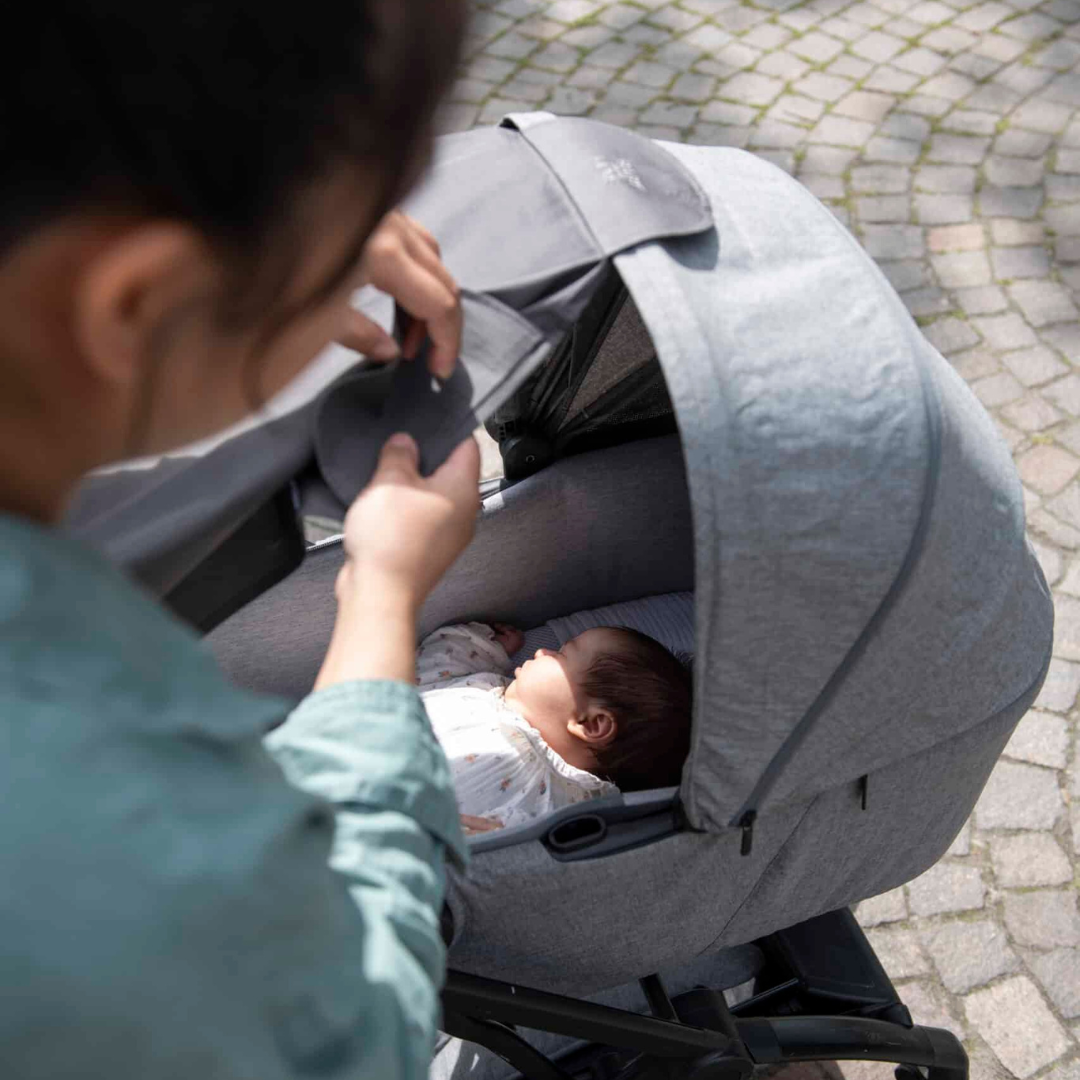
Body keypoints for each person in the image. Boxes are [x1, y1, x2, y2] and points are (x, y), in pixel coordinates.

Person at [0, 3, 478, 1078]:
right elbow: (356, 1026)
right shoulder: (131, 827)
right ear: (138, 303)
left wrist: (283, 262)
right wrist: (383, 592)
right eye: (345, 254)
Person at [415, 622, 693, 834]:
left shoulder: (563, 806)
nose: (541, 651)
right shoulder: (483, 686)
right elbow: (434, 665)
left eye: (560, 655)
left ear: (591, 724)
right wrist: (484, 646)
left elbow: (519, 860)